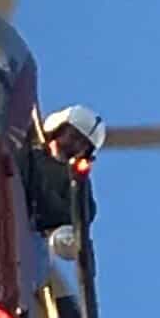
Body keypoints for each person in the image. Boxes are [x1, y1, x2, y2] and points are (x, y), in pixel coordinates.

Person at [24, 104, 106, 259]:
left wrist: (40, 189)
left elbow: (73, 215)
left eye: (82, 145)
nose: (74, 145)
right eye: (73, 136)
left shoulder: (77, 184)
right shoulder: (24, 150)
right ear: (58, 128)